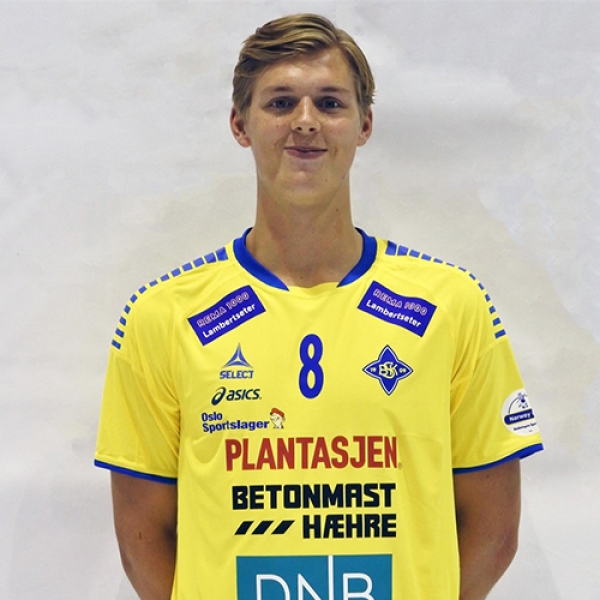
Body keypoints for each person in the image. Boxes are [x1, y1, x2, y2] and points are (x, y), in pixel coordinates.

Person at [95, 13, 543, 600]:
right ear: (240, 124)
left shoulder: (451, 305)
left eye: (330, 103)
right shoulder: (163, 316)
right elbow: (143, 538)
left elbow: (494, 531)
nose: (305, 121)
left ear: (364, 124)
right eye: (280, 103)